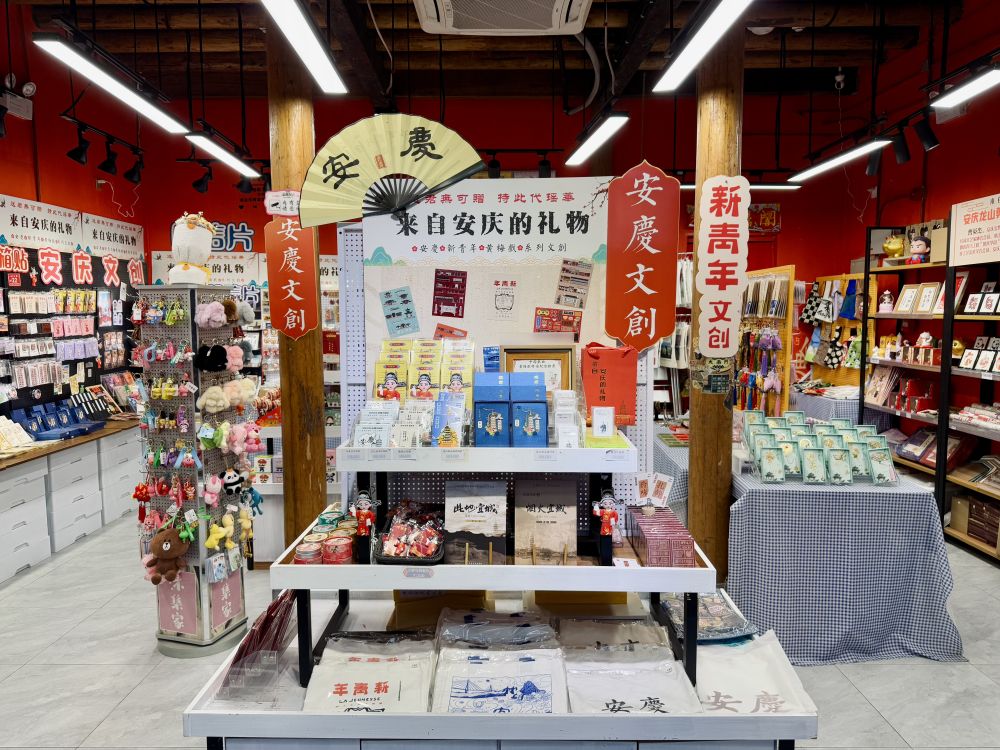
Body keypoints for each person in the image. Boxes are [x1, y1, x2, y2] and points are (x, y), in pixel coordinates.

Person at [592, 491, 619, 566]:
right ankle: (604, 559)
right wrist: (596, 506)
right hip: (604, 528)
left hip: (610, 528)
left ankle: (608, 559)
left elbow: (615, 519)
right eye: (605, 503)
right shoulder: (603, 511)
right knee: (604, 544)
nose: (608, 505)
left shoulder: (614, 512)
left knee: (609, 545)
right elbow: (596, 513)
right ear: (602, 504)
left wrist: (613, 524)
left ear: (613, 504)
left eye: (610, 503)